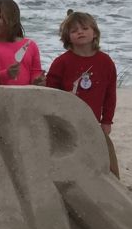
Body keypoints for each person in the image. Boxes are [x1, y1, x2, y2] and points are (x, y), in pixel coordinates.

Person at [45, 11, 119, 177]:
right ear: (67, 37)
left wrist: (107, 120)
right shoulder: (61, 63)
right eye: (74, 30)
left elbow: (110, 94)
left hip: (93, 120)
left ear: (94, 33)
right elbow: (50, 94)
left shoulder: (105, 62)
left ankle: (113, 183)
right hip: (66, 121)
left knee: (105, 157)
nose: (80, 32)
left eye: (85, 28)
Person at [0, 0, 44, 95]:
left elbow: (35, 72)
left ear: (12, 19)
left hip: (23, 98)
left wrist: (37, 81)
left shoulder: (30, 45)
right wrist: (6, 74)